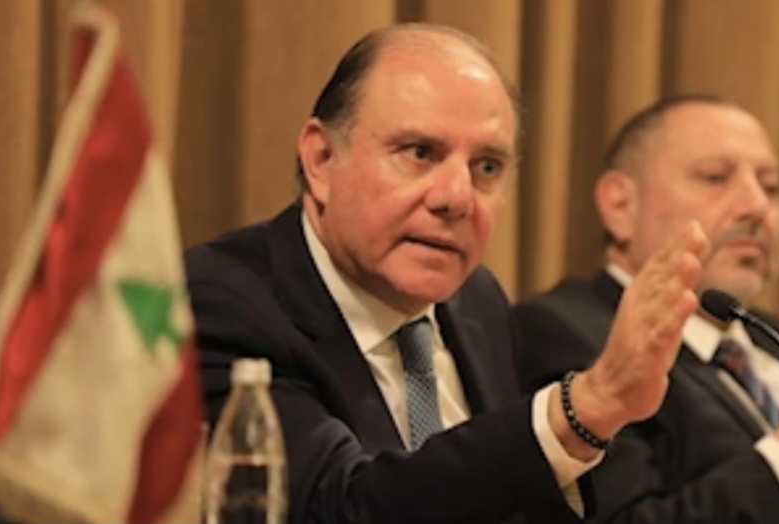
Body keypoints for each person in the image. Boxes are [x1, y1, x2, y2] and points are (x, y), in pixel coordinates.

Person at [186, 25, 709, 524]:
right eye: (420, 153)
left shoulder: (476, 301)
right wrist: (583, 408)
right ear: (322, 159)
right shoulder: (222, 304)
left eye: (487, 167)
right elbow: (338, 509)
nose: (456, 198)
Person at [514, 94, 779, 524]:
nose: (757, 206)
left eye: (771, 187)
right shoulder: (565, 335)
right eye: (715, 178)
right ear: (620, 205)